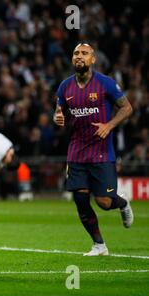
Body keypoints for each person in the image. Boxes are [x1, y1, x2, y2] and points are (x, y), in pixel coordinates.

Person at [53, 43, 134, 256]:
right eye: (76, 53)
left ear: (93, 59)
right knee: (80, 199)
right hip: (77, 151)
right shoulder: (64, 87)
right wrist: (58, 117)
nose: (79, 56)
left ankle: (122, 202)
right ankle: (99, 245)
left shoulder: (106, 83)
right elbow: (59, 113)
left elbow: (127, 108)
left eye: (84, 53)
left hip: (101, 152)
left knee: (104, 203)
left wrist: (109, 125)